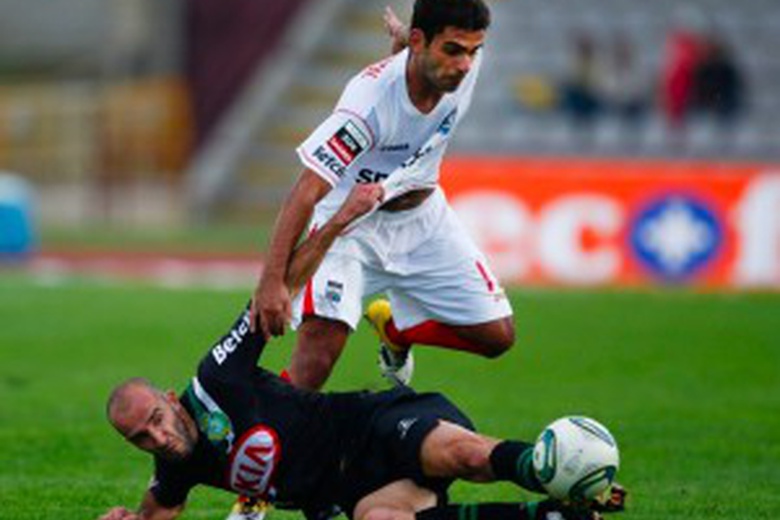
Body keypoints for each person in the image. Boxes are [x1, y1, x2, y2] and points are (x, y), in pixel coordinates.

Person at [97, 183, 626, 520]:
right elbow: (153, 515)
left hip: (373, 423)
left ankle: (557, 469)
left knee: (461, 455)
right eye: (141, 437)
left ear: (171, 398)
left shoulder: (216, 380)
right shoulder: (175, 466)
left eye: (157, 419)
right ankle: (559, 515)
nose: (158, 437)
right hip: (352, 494)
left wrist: (338, 220)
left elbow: (275, 289)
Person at [251, 0, 516, 391]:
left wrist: (408, 47)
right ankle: (271, 441)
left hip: (424, 220)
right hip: (351, 229)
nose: (464, 64)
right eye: (454, 50)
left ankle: (395, 330)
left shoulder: (459, 65)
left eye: (473, 51)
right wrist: (271, 282)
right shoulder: (368, 105)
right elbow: (305, 191)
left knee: (497, 338)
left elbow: (444, 49)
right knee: (314, 367)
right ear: (419, 41)